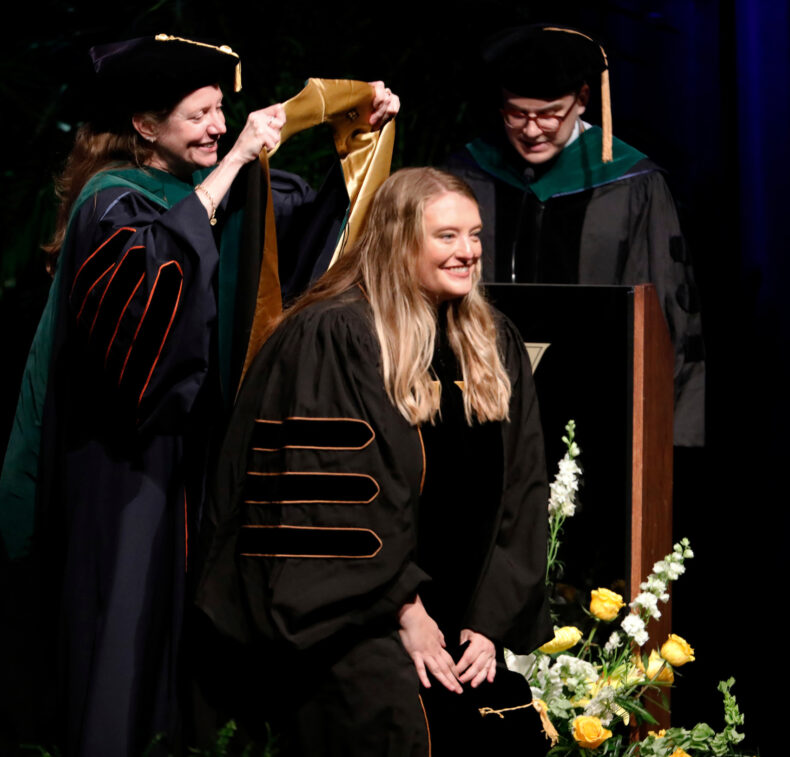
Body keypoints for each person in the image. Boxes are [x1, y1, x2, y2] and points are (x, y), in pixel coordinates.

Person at [0, 34, 398, 756]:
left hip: (195, 458)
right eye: (199, 114)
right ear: (145, 126)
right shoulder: (109, 201)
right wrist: (237, 161)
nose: (218, 127)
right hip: (122, 465)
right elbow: (145, 302)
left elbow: (292, 253)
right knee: (124, 639)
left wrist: (356, 141)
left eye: (220, 110)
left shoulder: (203, 189)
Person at [196, 167, 553, 756]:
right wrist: (405, 611)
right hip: (352, 624)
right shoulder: (334, 336)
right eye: (446, 236)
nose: (467, 252)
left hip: (462, 620)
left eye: (474, 235)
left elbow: (523, 486)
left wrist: (490, 623)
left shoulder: (490, 340)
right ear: (397, 240)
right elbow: (327, 505)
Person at [446, 24, 705, 447]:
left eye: (549, 114)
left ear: (582, 99)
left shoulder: (632, 183)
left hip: (599, 405)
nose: (532, 130)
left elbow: (668, 313)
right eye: (516, 113)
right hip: (483, 402)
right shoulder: (467, 174)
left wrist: (670, 431)